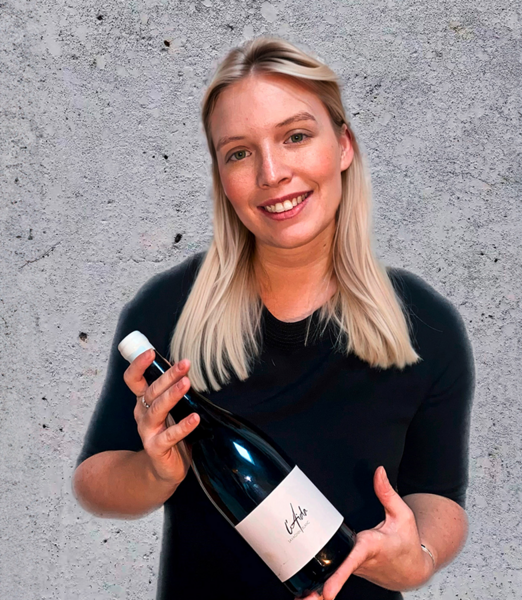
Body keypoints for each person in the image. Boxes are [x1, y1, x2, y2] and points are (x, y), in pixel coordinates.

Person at [72, 37, 475, 600]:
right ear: (221, 176)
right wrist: (154, 472)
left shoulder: (425, 324)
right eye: (239, 152)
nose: (271, 172)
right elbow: (94, 481)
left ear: (343, 145)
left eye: (295, 136)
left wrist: (418, 558)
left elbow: (438, 497)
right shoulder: (169, 309)